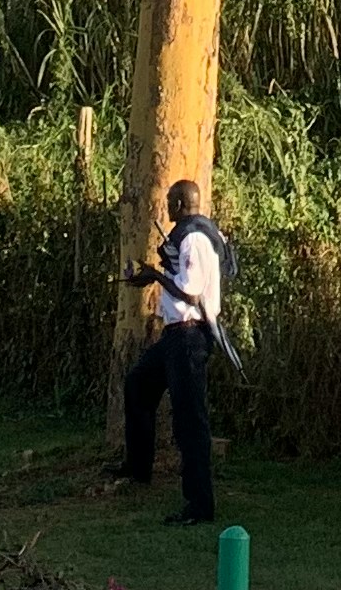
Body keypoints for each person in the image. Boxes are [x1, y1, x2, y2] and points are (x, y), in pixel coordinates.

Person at [120, 177, 230, 525]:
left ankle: (199, 506)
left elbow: (190, 291)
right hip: (174, 336)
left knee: (189, 421)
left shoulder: (195, 237)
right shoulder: (185, 236)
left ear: (181, 203)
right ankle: (138, 470)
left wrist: (155, 275)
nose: (166, 207)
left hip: (190, 336)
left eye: (170, 201)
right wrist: (149, 278)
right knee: (137, 386)